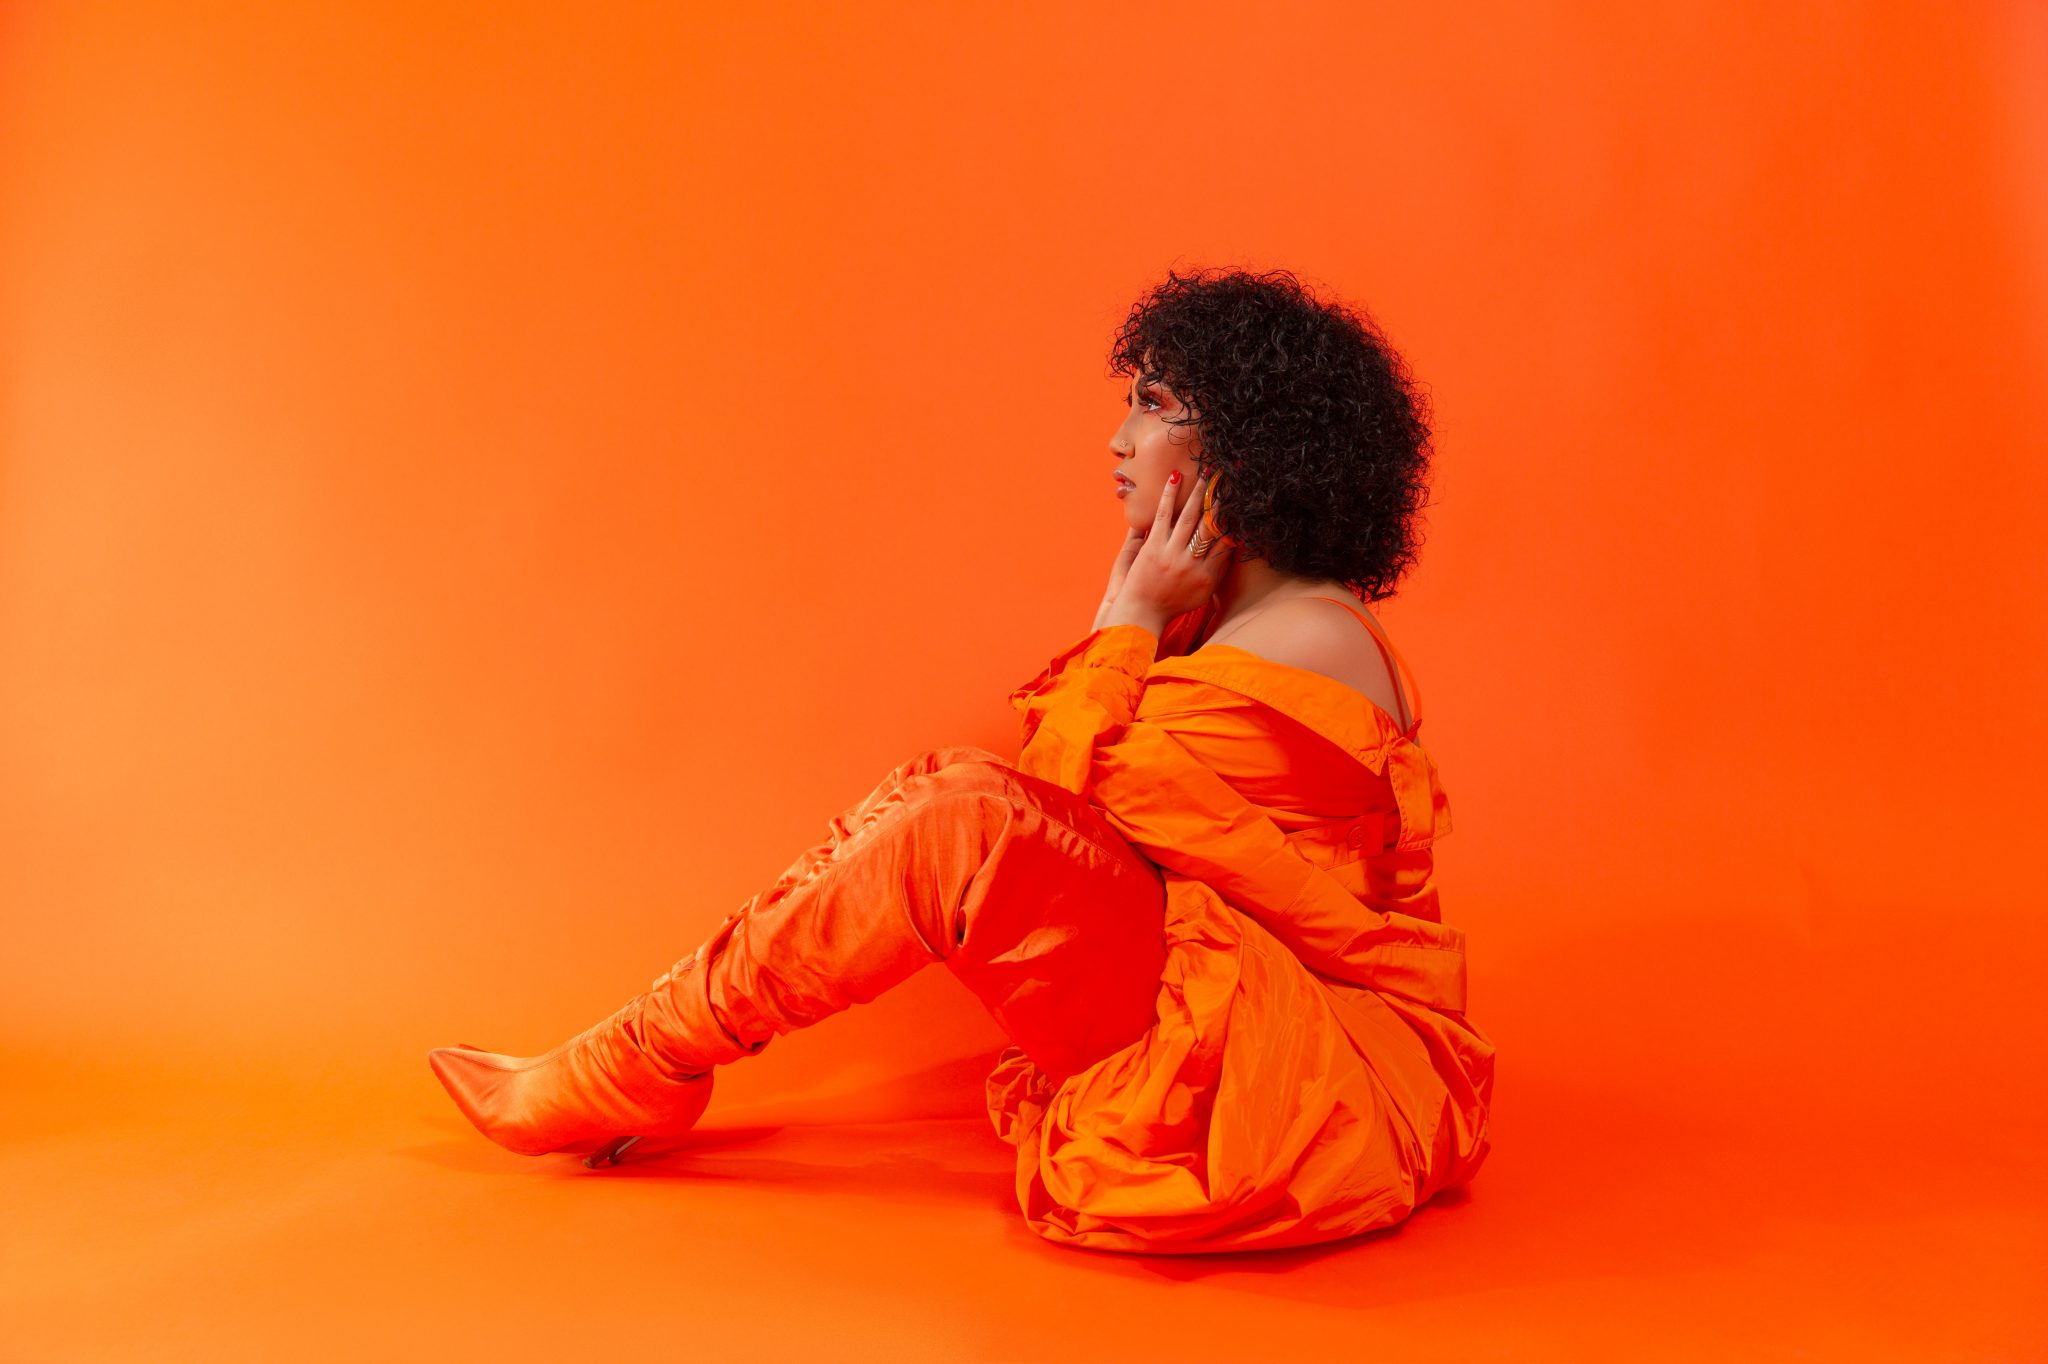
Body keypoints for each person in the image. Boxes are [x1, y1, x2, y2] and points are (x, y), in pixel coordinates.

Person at [428, 265, 1496, 1255]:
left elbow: (1056, 810)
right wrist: (1133, 620)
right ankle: (645, 1055)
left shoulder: (1308, 635)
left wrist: (1123, 618)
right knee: (946, 799)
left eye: (1155, 405)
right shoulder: (1229, 621)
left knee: (960, 818)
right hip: (1224, 995)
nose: (1119, 439)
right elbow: (1073, 820)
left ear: (1246, 452)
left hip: (1289, 1067)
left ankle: (640, 1060)